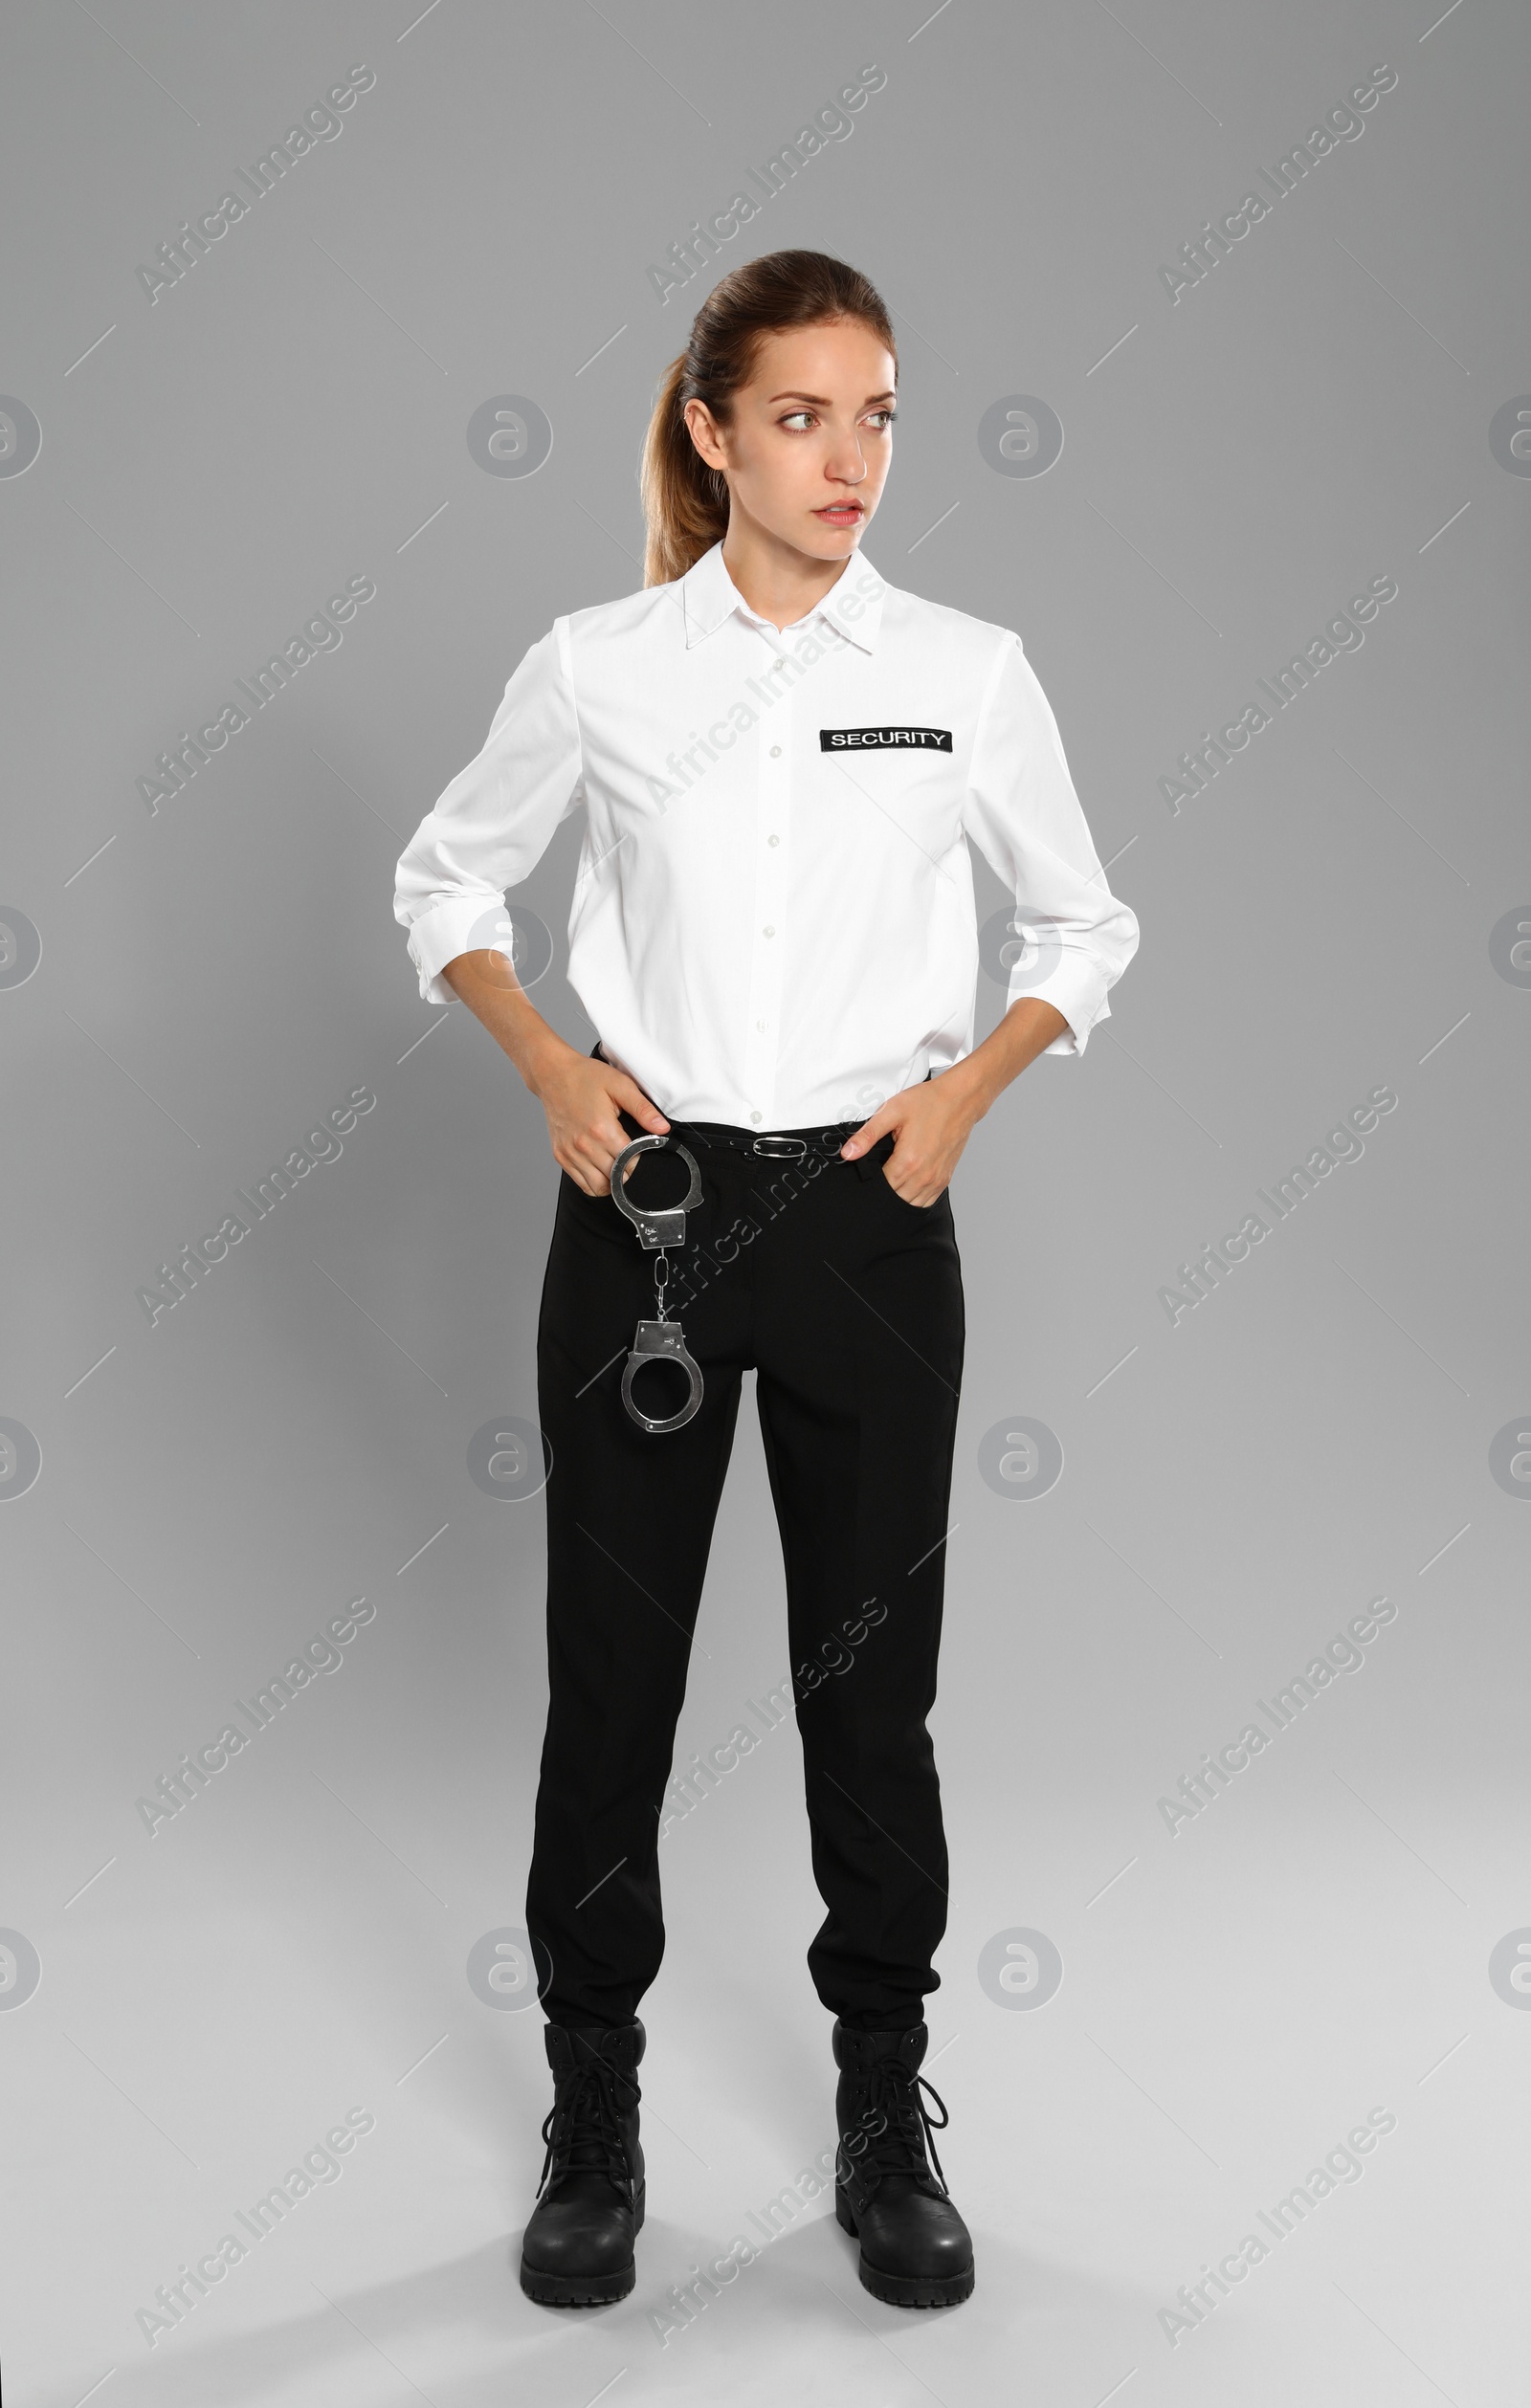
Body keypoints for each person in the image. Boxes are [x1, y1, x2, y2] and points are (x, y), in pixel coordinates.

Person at [393, 249, 1139, 2313]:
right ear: (711, 428)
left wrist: (967, 1094)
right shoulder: (598, 663)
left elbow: (1082, 925)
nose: (847, 458)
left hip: (870, 1224)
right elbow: (445, 874)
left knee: (865, 1697)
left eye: (875, 412)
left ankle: (884, 2107)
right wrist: (549, 1057)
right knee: (609, 1693)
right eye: (800, 415)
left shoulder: (965, 667)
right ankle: (593, 2111)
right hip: (640, 1212)